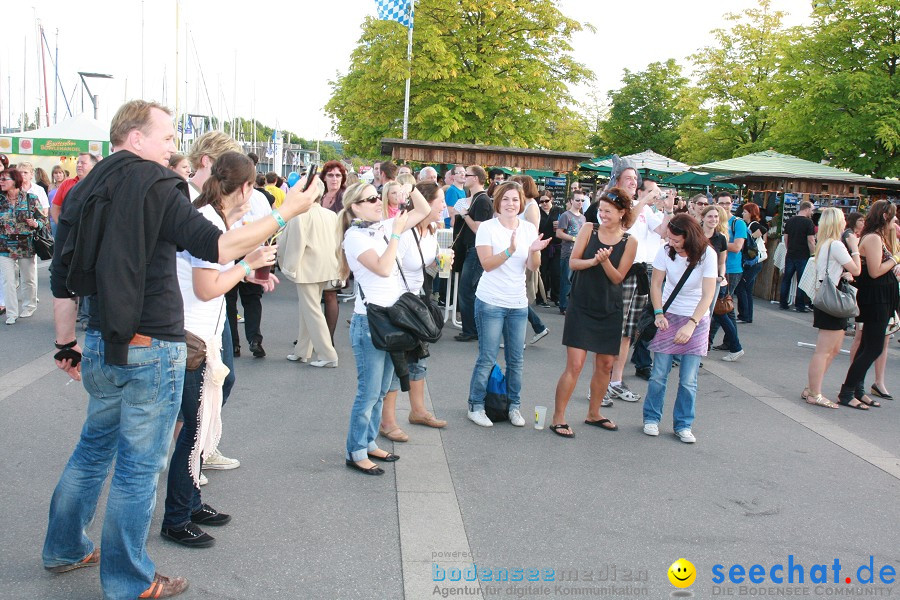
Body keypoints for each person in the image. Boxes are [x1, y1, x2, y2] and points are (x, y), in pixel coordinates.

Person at [43, 100, 318, 599]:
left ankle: (64, 548)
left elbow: (62, 277)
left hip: (102, 342)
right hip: (151, 347)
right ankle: (129, 581)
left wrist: (67, 343)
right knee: (137, 467)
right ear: (135, 138)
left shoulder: (84, 188)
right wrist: (285, 212)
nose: (176, 150)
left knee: (92, 450)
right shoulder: (158, 186)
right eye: (167, 137)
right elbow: (217, 247)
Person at [161, 151, 277, 548]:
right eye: (254, 184)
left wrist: (247, 268)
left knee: (200, 426)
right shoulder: (208, 218)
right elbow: (206, 287)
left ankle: (190, 502)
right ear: (244, 187)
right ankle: (176, 517)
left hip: (200, 336)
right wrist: (248, 265)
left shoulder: (210, 214)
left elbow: (213, 278)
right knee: (194, 431)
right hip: (193, 338)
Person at [339, 181, 431, 475]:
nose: (378, 202)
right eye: (370, 199)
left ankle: (368, 443)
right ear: (355, 206)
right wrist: (394, 234)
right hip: (370, 322)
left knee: (381, 391)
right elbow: (383, 267)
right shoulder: (354, 237)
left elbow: (423, 209)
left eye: (377, 197)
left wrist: (411, 184)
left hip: (392, 319)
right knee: (368, 392)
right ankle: (355, 451)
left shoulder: (379, 227)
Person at [550, 188, 637, 438]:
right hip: (582, 304)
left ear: (622, 213)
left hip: (609, 307)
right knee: (575, 365)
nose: (603, 215)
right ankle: (559, 417)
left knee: (606, 364)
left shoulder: (629, 241)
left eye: (608, 211)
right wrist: (594, 261)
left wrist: (606, 262)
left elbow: (618, 277)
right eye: (601, 210)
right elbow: (573, 262)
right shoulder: (589, 229)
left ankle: (594, 413)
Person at [465, 182, 550, 427]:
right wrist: (510, 250)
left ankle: (514, 406)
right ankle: (476, 405)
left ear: (521, 203)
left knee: (516, 360)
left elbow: (533, 267)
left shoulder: (528, 229)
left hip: (518, 303)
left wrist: (534, 251)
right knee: (487, 357)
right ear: (497, 202)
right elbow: (487, 264)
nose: (511, 204)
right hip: (490, 300)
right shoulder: (487, 228)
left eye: (515, 200)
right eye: (506, 199)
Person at [379, 182, 449, 442]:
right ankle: (387, 422)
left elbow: (422, 266)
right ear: (426, 203)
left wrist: (439, 263)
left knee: (420, 358)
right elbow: (392, 269)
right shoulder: (405, 233)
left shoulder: (431, 231)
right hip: (399, 306)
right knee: (398, 362)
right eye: (440, 201)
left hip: (418, 302)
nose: (444, 205)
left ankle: (418, 411)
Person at [643, 215, 718, 443]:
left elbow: (708, 294)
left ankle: (684, 424)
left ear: (689, 236)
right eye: (671, 239)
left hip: (696, 317)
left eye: (677, 240)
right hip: (668, 312)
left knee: (688, 379)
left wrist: (692, 323)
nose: (672, 243)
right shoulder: (665, 251)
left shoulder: (708, 254)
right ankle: (651, 418)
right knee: (659, 373)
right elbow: (656, 283)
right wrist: (658, 312)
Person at [837, 200, 900, 409]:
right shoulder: (873, 238)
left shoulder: (877, 237)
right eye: (893, 215)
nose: (896, 219)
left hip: (880, 297)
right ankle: (847, 391)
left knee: (868, 346)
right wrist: (896, 259)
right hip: (875, 299)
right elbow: (875, 271)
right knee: (872, 348)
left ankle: (857, 390)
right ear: (884, 216)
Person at [801, 208, 861, 409]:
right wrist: (855, 248)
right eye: (843, 219)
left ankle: (812, 388)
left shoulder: (826, 244)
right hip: (831, 300)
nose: (845, 223)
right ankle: (814, 392)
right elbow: (857, 269)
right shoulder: (836, 245)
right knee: (825, 350)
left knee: (833, 349)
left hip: (828, 298)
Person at [279, 177, 341, 366]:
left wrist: (288, 268)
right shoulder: (331, 215)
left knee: (311, 310)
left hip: (307, 269)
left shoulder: (300, 216)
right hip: (327, 267)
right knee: (307, 308)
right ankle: (302, 350)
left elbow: (295, 245)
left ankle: (328, 354)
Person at [0, 167, 48, 324]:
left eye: (4, 179)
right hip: (4, 246)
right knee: (8, 280)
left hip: (25, 245)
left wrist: (36, 224)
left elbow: (43, 220)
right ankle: (11, 313)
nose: (1, 182)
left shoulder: (30, 198)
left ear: (15, 181)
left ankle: (29, 306)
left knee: (28, 279)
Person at [455, 165, 492, 342]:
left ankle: (471, 330)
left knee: (466, 290)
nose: (463, 177)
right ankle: (473, 329)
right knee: (469, 289)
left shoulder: (483, 200)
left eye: (467, 174)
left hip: (476, 250)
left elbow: (479, 229)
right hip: (473, 249)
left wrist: (465, 215)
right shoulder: (477, 198)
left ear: (476, 178)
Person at [510, 174, 549, 342]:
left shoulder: (531, 206)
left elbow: (533, 231)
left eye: (517, 184)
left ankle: (532, 330)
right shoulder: (523, 205)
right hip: (517, 253)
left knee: (518, 295)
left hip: (525, 254)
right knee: (516, 295)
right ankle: (537, 327)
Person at [709, 193, 746, 361]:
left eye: (728, 203)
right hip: (720, 274)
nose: (725, 206)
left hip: (730, 271)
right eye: (721, 203)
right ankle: (732, 345)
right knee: (725, 310)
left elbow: (737, 247)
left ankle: (732, 345)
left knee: (721, 310)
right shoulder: (720, 228)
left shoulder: (737, 224)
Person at [779, 200, 816, 312]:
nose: (812, 212)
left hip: (791, 253)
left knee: (786, 279)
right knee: (801, 280)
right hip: (803, 254)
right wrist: (813, 253)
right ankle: (800, 305)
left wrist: (788, 247)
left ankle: (783, 302)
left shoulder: (790, 220)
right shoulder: (809, 223)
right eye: (812, 210)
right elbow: (810, 240)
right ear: (807, 209)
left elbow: (786, 237)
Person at [734, 202, 768, 323]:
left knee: (742, 288)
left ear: (750, 213)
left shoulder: (753, 224)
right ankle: (747, 316)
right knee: (746, 289)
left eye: (745, 212)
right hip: (754, 262)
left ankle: (744, 315)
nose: (743, 213)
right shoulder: (747, 224)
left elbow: (764, 229)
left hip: (753, 262)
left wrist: (751, 239)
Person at [555, 192, 586, 315]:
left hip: (579, 253)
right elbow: (559, 233)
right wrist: (574, 239)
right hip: (567, 252)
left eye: (582, 201)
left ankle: (572, 305)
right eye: (578, 200)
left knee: (576, 281)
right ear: (571, 201)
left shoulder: (583, 217)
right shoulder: (565, 215)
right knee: (566, 280)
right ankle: (564, 306)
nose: (580, 203)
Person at [50, 153, 100, 224]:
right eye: (78, 163)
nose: (79, 165)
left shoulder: (99, 185)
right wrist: (61, 226)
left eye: (83, 163)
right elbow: (55, 207)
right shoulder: (66, 183)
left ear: (93, 166)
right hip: (68, 229)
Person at [700, 205, 728, 313]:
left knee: (709, 311)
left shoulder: (721, 238)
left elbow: (721, 262)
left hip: (713, 280)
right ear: (703, 218)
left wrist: (721, 276)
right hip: (695, 278)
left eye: (716, 216)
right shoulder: (694, 235)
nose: (714, 219)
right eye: (710, 216)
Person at [538, 190, 562, 306]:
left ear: (551, 200)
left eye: (546, 201)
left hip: (556, 246)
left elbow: (567, 225)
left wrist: (561, 225)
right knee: (543, 272)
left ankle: (555, 297)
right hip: (543, 246)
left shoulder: (558, 211)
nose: (544, 203)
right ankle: (542, 297)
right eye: (541, 201)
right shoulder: (537, 212)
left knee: (556, 273)